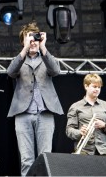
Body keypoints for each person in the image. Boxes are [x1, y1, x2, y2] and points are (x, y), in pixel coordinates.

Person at [7, 21, 64, 176]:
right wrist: (25, 49)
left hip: (44, 113)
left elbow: (56, 70)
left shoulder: (46, 57)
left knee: (45, 157)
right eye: (29, 39)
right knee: (26, 159)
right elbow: (10, 72)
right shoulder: (19, 59)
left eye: (35, 38)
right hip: (23, 114)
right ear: (23, 41)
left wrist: (43, 47)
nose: (33, 42)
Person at [66, 73, 106, 155]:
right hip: (83, 151)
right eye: (94, 86)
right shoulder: (75, 107)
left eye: (99, 87)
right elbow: (69, 131)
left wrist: (104, 125)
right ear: (86, 86)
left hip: (102, 151)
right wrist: (80, 132)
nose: (97, 89)